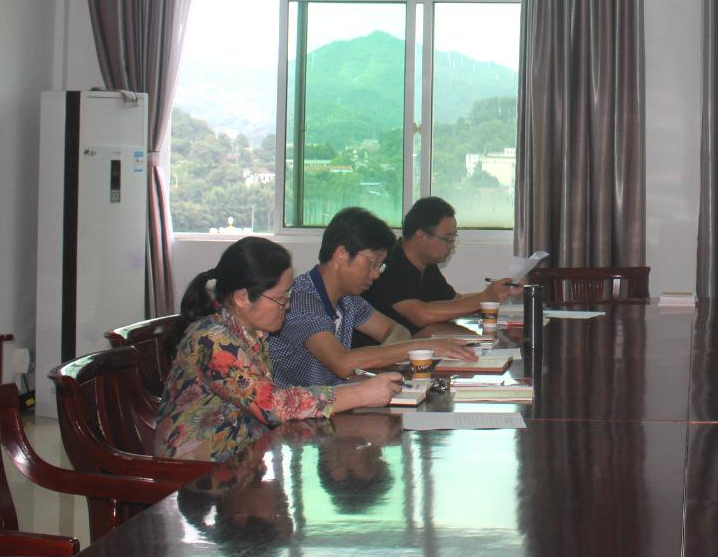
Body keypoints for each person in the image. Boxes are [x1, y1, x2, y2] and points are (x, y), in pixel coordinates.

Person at [153, 235, 401, 462]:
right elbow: (273, 406)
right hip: (197, 474)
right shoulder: (214, 340)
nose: (288, 305)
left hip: (246, 458)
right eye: (280, 298)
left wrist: (357, 390)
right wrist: (360, 394)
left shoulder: (253, 333)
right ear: (242, 297)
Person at [268, 206, 477, 387]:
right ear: (341, 254)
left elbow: (397, 330)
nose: (376, 274)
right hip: (299, 414)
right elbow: (342, 364)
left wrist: (385, 355)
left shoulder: (348, 299)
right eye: (373, 263)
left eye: (380, 266)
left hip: (333, 403)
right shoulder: (302, 300)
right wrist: (421, 346)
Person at [353, 196, 517, 347]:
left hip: (416, 347)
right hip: (379, 355)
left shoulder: (426, 263)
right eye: (447, 239)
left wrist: (499, 291)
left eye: (453, 238)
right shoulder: (390, 265)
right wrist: (485, 298)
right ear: (421, 236)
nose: (451, 245)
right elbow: (421, 315)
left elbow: (455, 301)